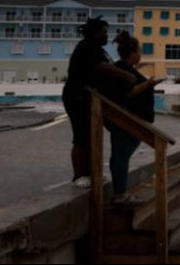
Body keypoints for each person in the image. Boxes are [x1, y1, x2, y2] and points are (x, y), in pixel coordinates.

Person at [63, 17, 137, 189]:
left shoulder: (98, 49)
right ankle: (79, 175)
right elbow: (101, 67)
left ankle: (92, 171)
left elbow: (107, 66)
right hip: (77, 97)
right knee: (81, 137)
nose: (106, 36)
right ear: (95, 33)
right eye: (103, 32)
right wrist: (126, 75)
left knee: (91, 136)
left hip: (92, 99)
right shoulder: (86, 48)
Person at [104, 32, 163, 205]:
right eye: (138, 51)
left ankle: (120, 192)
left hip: (129, 120)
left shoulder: (124, 68)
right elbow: (127, 93)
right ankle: (120, 193)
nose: (140, 54)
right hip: (126, 121)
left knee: (120, 155)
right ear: (131, 53)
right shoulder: (122, 69)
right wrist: (148, 84)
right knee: (121, 155)